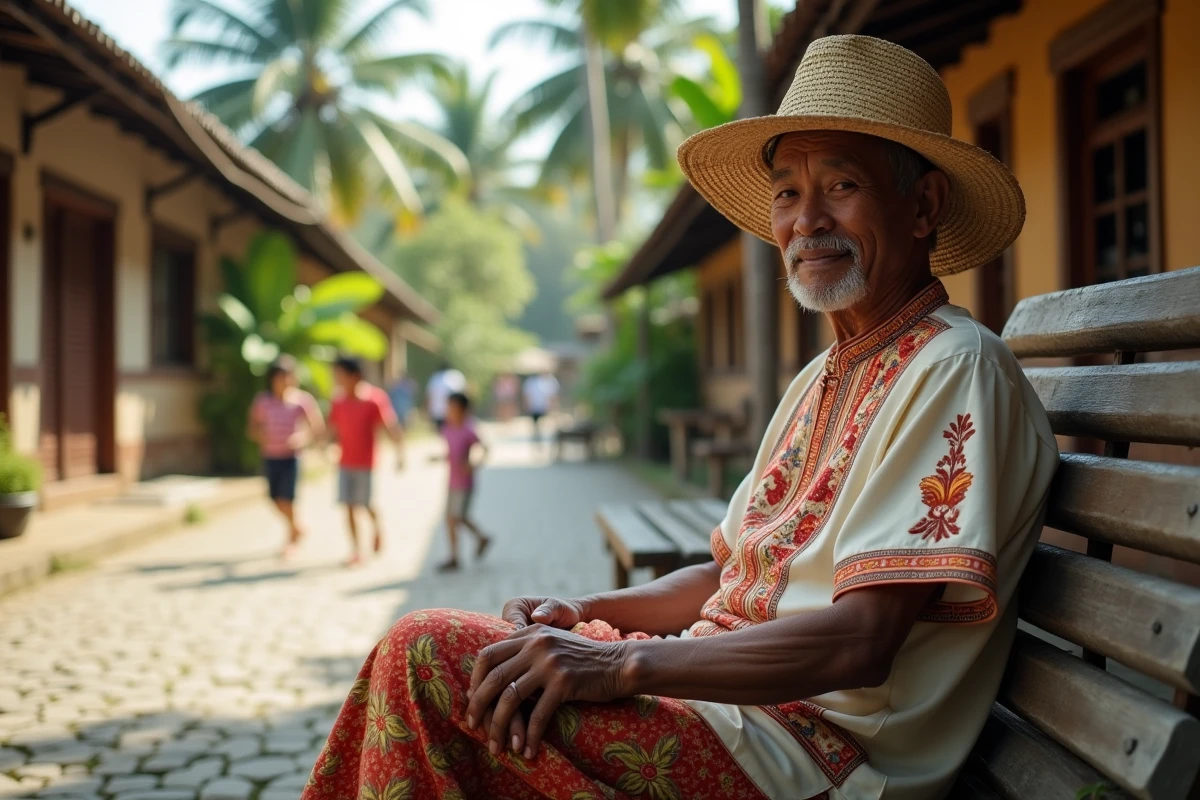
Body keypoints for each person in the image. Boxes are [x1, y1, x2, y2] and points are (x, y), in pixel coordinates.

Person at [302, 36, 1059, 800]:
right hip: (728, 707)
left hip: (813, 753)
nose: (806, 221)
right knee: (478, 670)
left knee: (425, 654)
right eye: (788, 193)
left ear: (923, 205)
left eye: (842, 184)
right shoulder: (822, 378)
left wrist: (622, 661)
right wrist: (587, 614)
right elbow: (728, 576)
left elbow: (862, 641)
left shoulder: (954, 368)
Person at [327, 356, 404, 566]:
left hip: (366, 462)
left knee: (366, 503)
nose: (337, 379)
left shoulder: (374, 399)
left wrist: (400, 453)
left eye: (340, 374)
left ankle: (377, 529)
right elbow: (331, 430)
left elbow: (390, 426)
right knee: (348, 505)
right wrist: (326, 447)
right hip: (345, 462)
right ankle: (356, 550)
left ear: (354, 375)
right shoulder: (338, 401)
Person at [246, 356, 323, 559]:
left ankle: (291, 540)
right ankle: (297, 527)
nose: (284, 381)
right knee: (274, 498)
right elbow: (252, 427)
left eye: (288, 377)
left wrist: (302, 438)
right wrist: (260, 435)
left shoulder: (302, 400)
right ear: (272, 379)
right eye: (280, 377)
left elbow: (316, 427)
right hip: (271, 456)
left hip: (291, 458)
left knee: (288, 498)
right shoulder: (263, 401)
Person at [436, 392, 493, 573]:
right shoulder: (447, 428)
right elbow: (451, 452)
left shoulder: (469, 429)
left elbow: (485, 448)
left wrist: (473, 464)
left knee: (457, 517)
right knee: (453, 519)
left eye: (453, 408)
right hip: (452, 482)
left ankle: (458, 554)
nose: (450, 411)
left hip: (466, 483)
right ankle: (457, 554)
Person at [522, 371, 559, 445]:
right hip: (535, 407)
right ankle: (537, 438)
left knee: (544, 424)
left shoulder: (551, 381)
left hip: (544, 407)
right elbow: (528, 395)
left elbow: (553, 396)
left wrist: (552, 407)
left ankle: (541, 438)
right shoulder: (531, 382)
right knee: (536, 425)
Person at [426, 363, 466, 430]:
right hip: (452, 412)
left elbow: (429, 396)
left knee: (442, 432)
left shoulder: (435, 379)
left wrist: (428, 410)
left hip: (437, 411)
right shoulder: (455, 377)